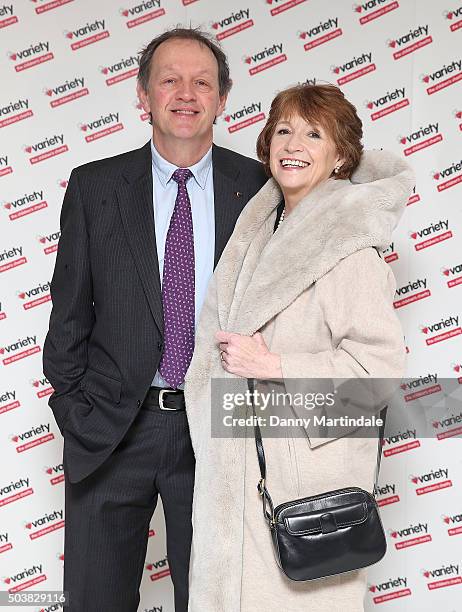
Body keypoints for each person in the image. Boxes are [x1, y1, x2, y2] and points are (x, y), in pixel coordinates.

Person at [42, 27, 267, 612]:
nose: (185, 94)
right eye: (169, 80)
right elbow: (67, 317)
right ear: (143, 96)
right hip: (114, 428)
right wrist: (75, 411)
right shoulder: (95, 187)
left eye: (202, 82)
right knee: (95, 601)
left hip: (219, 429)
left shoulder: (261, 190)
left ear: (223, 99)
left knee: (219, 602)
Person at [184, 84, 415, 611]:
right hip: (239, 470)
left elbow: (376, 372)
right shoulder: (260, 232)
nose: (295, 143)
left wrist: (274, 364)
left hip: (302, 484)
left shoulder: (347, 246)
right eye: (284, 130)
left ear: (341, 157)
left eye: (315, 134)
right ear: (267, 145)